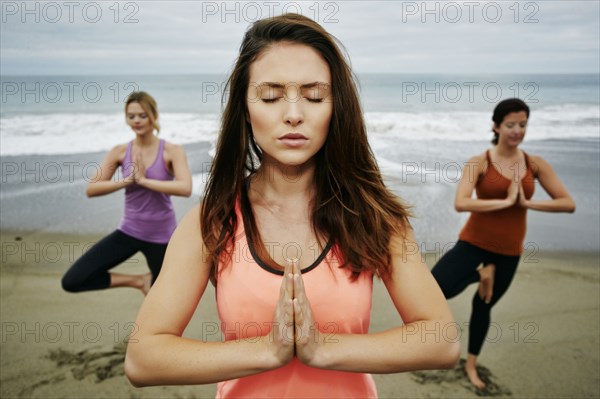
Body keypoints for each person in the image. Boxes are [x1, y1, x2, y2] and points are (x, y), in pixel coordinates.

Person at [124, 14, 459, 398]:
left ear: (337, 108)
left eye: (314, 96)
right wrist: (268, 350)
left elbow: (441, 339)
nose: (294, 113)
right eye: (270, 96)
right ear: (245, 110)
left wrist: (322, 348)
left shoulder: (373, 215)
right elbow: (143, 358)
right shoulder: (213, 221)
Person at [431, 98, 576, 389]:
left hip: (509, 250)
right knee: (436, 286)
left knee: (483, 305)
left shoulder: (534, 164)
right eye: (510, 125)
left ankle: (471, 365)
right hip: (474, 241)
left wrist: (526, 203)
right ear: (496, 126)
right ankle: (481, 275)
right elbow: (461, 202)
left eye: (523, 124)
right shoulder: (479, 162)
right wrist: (505, 201)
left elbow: (567, 203)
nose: (517, 131)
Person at [61, 91, 192, 296]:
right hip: (129, 231)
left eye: (142, 115)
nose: (137, 121)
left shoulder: (172, 151)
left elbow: (185, 188)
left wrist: (144, 181)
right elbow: (92, 188)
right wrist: (127, 181)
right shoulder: (120, 152)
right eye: (131, 116)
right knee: (73, 280)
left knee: (162, 299)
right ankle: (139, 280)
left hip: (163, 237)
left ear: (154, 116)